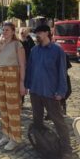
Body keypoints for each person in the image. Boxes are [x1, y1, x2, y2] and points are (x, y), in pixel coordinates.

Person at [25, 24, 73, 154]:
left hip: (51, 93)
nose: (36, 36)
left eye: (38, 33)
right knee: (37, 120)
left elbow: (62, 73)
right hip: (35, 92)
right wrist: (27, 86)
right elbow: (30, 70)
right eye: (35, 34)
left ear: (46, 33)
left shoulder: (58, 51)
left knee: (59, 122)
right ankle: (41, 143)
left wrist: (61, 92)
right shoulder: (34, 50)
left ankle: (66, 149)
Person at [0, 22, 26, 150]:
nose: (4, 32)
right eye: (3, 30)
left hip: (13, 75)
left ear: (13, 31)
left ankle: (15, 138)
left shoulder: (18, 45)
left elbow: (23, 65)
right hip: (1, 74)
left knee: (13, 107)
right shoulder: (2, 44)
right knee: (3, 106)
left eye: (7, 30)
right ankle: (6, 134)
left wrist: (22, 83)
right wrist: (0, 46)